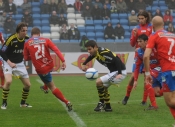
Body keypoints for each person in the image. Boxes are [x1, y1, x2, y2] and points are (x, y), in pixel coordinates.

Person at [23, 27, 72, 111]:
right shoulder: (46, 40)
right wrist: (63, 61)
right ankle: (45, 87)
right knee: (47, 76)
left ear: (31, 35)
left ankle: (66, 102)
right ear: (39, 34)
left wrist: (34, 56)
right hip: (50, 64)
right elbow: (56, 50)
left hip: (41, 69)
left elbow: (26, 58)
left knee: (52, 86)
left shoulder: (27, 43)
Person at [143, 16, 175, 126]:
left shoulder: (154, 35)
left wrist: (147, 73)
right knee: (171, 99)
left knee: (169, 101)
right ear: (164, 24)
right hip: (173, 68)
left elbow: (146, 56)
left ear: (153, 26)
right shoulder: (172, 35)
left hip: (168, 70)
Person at [81, 40, 127, 112]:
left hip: (119, 72)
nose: (88, 51)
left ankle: (101, 103)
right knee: (104, 87)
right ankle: (108, 107)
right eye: (87, 49)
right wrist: (84, 63)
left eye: (90, 49)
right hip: (114, 72)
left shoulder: (103, 53)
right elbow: (91, 56)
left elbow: (117, 60)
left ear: (95, 47)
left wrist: (120, 73)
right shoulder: (97, 52)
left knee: (98, 82)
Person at [122, 11, 152, 105]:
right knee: (132, 77)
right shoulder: (136, 29)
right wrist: (134, 36)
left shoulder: (151, 28)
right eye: (139, 18)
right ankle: (127, 96)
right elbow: (132, 44)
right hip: (138, 55)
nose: (140, 20)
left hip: (148, 55)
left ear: (146, 18)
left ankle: (144, 100)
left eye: (142, 18)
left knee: (146, 78)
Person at [0, 22, 32, 110]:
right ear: (18, 31)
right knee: (9, 81)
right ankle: (4, 103)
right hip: (8, 62)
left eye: (26, 30)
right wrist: (9, 63)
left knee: (28, 85)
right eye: (23, 31)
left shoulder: (27, 39)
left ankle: (23, 103)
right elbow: (2, 52)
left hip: (20, 64)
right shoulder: (11, 38)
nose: (25, 32)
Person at [133, 34, 163, 110]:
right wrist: (135, 80)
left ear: (146, 41)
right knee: (157, 93)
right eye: (138, 42)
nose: (139, 43)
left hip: (161, 69)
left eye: (141, 41)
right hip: (152, 70)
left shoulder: (154, 48)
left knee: (147, 81)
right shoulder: (139, 52)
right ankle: (168, 90)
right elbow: (137, 67)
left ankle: (154, 106)